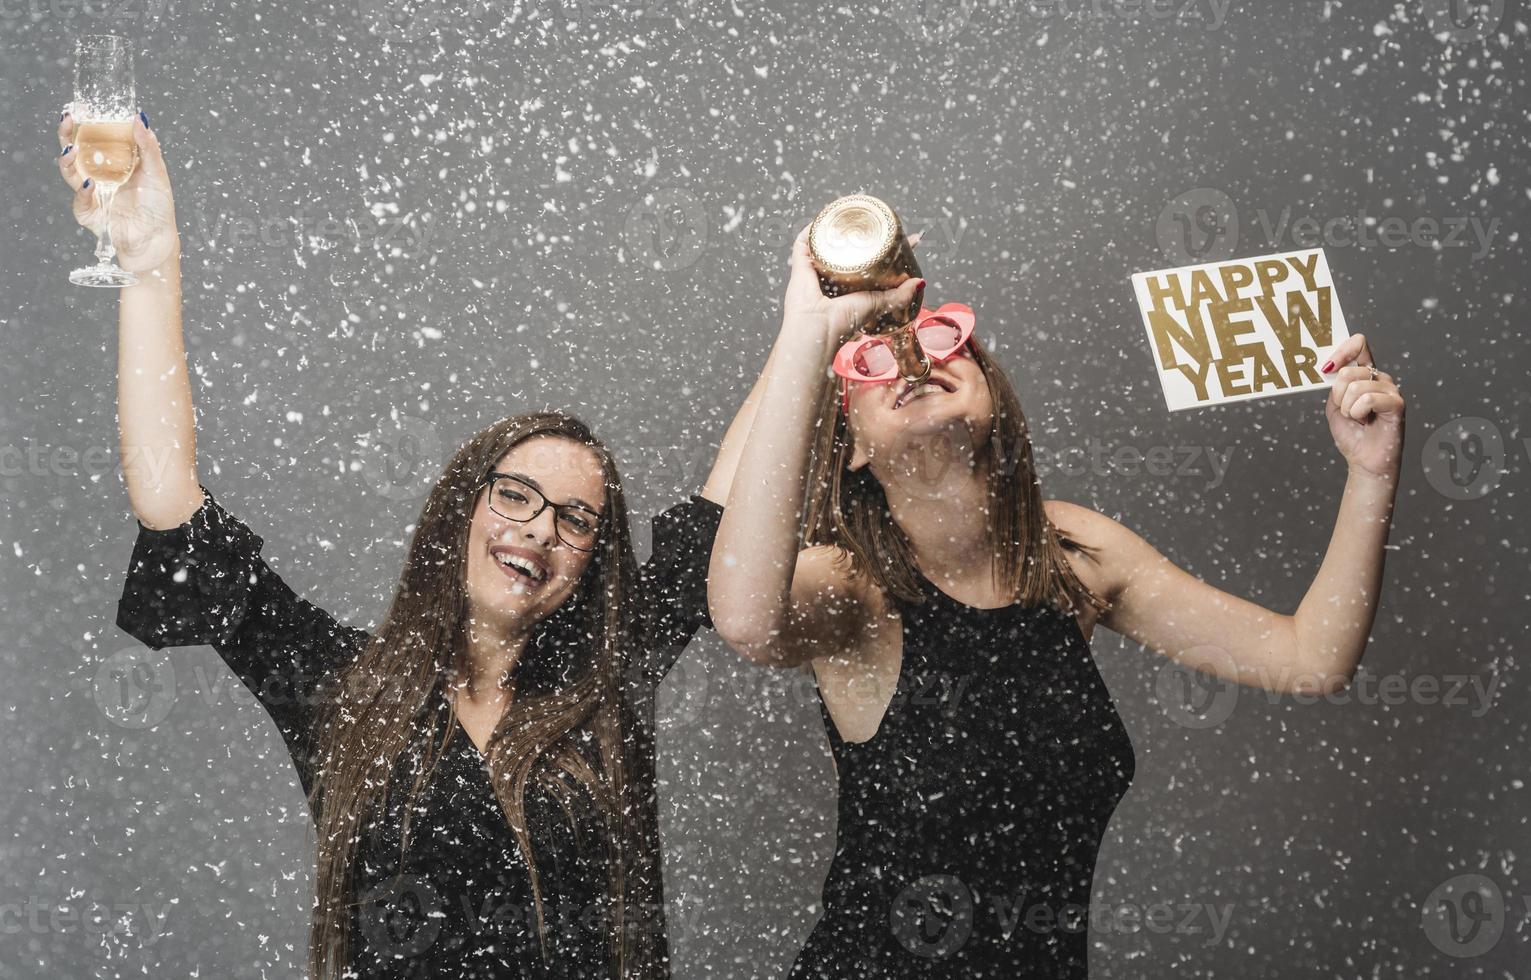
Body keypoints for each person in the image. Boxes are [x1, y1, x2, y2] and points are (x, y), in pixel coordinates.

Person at [58, 110, 761, 979]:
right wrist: (150, 262)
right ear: (459, 513)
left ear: (590, 564)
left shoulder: (608, 673)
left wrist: (824, 303)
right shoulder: (341, 688)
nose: (539, 529)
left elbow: (727, 508)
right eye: (516, 496)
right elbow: (170, 502)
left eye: (576, 520)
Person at [708, 224, 1405, 977]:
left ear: (993, 396)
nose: (911, 359)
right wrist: (810, 336)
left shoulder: (1074, 554)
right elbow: (746, 617)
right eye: (870, 364)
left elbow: (1310, 658)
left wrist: (1370, 474)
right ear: (852, 447)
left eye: (943, 340)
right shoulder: (853, 588)